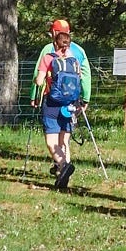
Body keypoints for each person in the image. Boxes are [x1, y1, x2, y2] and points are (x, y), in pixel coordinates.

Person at [32, 18, 93, 191]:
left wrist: (38, 87)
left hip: (52, 103)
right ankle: (62, 177)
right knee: (64, 140)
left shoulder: (48, 57)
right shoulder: (75, 59)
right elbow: (82, 78)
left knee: (51, 142)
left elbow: (38, 80)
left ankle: (63, 165)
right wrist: (85, 99)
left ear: (54, 40)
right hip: (70, 104)